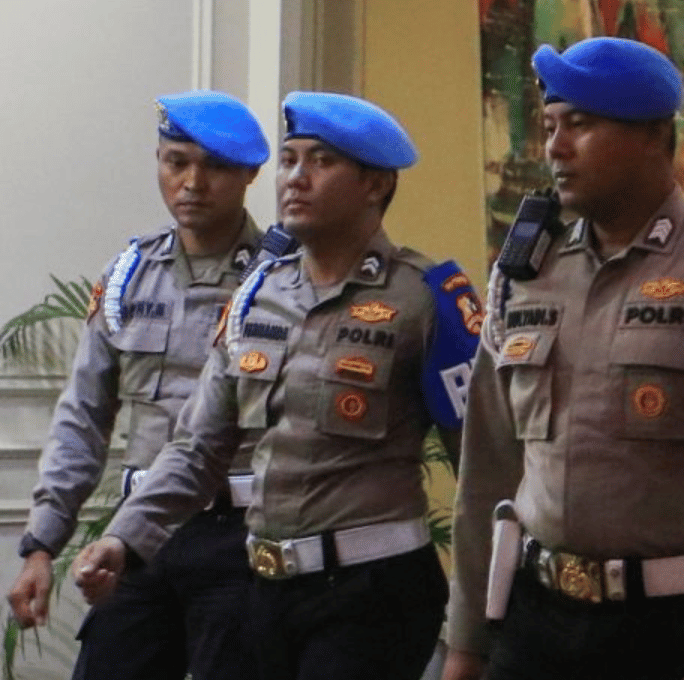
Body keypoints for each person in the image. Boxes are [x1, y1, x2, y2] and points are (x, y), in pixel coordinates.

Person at [441, 37, 684, 680]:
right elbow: (487, 471)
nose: (556, 147)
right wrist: (465, 644)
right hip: (535, 621)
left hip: (674, 627)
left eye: (580, 125)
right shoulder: (524, 276)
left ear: (652, 135)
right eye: (551, 126)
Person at [69, 91, 482, 680]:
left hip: (372, 593)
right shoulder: (257, 296)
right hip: (265, 589)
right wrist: (124, 539)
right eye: (289, 160)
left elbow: (483, 471)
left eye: (321, 161)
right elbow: (197, 448)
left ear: (375, 185)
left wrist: (474, 634)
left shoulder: (425, 298)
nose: (296, 178)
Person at [6, 90, 268, 680]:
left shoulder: (281, 281)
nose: (192, 183)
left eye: (215, 166)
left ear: (250, 174)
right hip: (141, 536)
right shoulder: (130, 274)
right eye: (176, 162)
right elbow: (82, 415)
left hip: (240, 538)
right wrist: (42, 544)